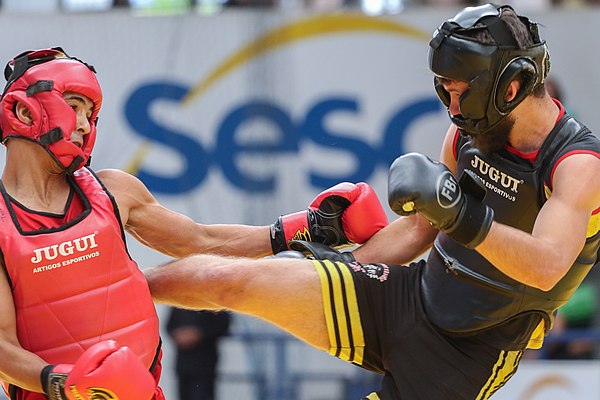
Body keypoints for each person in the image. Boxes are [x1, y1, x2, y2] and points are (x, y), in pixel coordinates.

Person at [144, 4, 600, 400]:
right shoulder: (468, 132)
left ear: (512, 86)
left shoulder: (577, 164)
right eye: (447, 90)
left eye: (463, 91)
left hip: (467, 355)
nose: (453, 106)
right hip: (409, 295)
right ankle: (103, 293)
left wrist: (460, 216)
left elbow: (546, 266)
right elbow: (422, 229)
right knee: (235, 281)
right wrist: (344, 262)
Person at [0, 47, 388, 400]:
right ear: (23, 111)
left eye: (91, 113)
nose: (85, 125)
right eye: (75, 105)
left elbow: (198, 240)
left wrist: (311, 227)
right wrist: (65, 383)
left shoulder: (113, 190)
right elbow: (2, 346)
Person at [166, 309, 231, 400]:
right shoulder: (179, 299)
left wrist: (199, 334)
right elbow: (169, 325)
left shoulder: (211, 300)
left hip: (204, 364)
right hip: (183, 363)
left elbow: (223, 324)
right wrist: (178, 335)